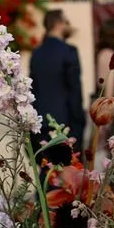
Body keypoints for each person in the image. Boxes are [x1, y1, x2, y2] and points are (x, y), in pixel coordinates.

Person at [29, 9, 86, 159]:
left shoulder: (37, 53)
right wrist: (79, 120)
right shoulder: (69, 51)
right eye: (66, 22)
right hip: (65, 122)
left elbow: (33, 89)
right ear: (59, 24)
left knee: (45, 167)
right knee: (67, 169)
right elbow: (74, 89)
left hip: (40, 122)